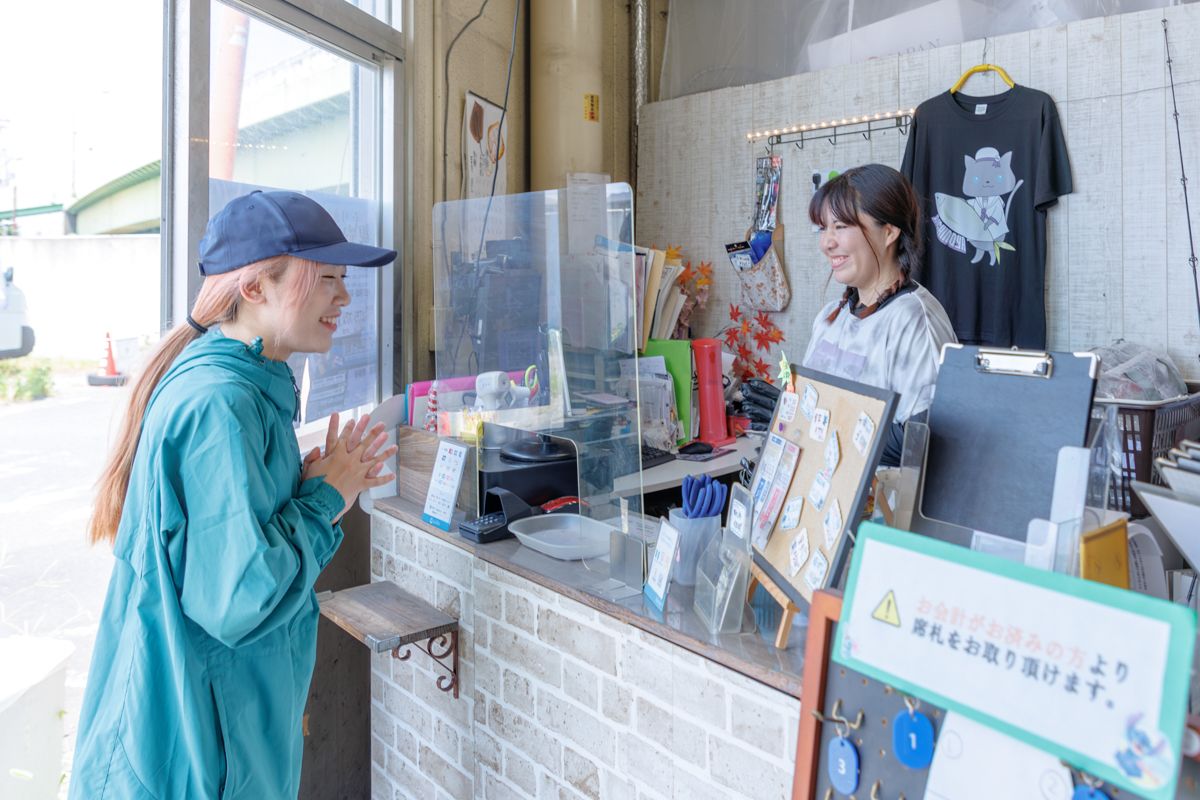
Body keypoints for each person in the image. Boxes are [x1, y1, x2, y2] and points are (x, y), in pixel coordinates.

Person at [70, 190, 399, 799]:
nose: (345, 297)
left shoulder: (244, 384)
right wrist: (326, 500)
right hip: (189, 754)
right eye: (326, 278)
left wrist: (307, 486)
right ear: (255, 288)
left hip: (207, 734)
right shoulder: (222, 403)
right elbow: (240, 600)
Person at [803, 164, 957, 462]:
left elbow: (920, 441)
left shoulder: (914, 320)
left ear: (888, 232)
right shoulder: (829, 318)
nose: (827, 242)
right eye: (824, 227)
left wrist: (814, 420)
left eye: (841, 226)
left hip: (882, 506)